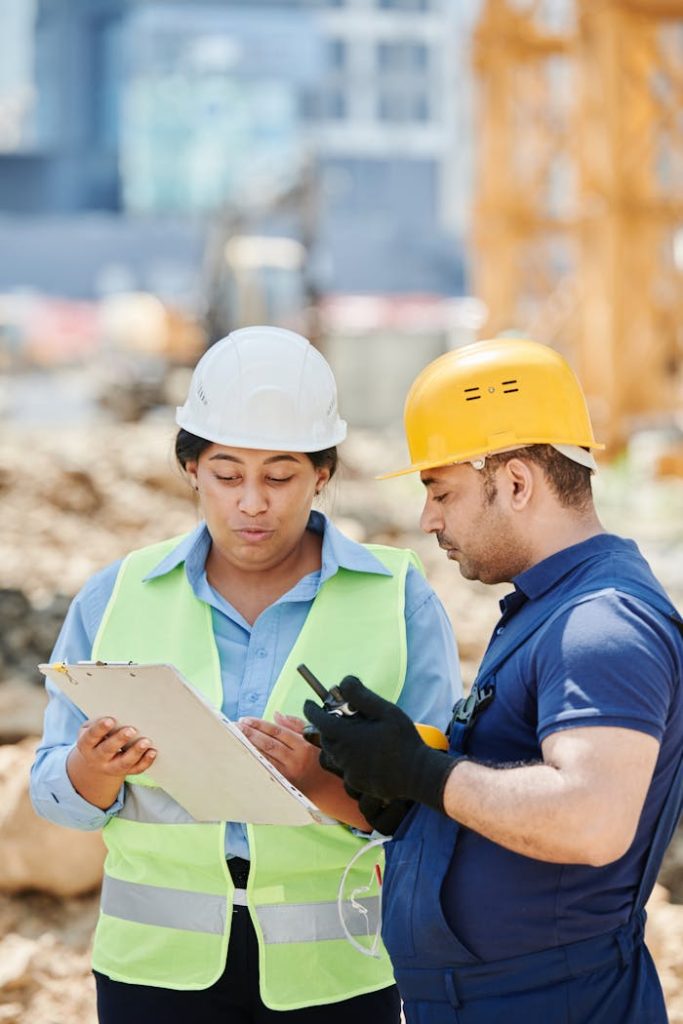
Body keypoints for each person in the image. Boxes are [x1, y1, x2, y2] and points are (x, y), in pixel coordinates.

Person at [30, 326, 461, 1024]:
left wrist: (322, 784)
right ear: (191, 470)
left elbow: (440, 802)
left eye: (280, 476)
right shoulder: (117, 594)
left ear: (322, 474)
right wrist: (94, 770)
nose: (252, 503)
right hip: (152, 976)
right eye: (227, 475)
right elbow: (54, 792)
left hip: (337, 975)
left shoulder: (396, 599)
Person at [305, 337, 683, 1024]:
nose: (429, 519)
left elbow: (591, 819)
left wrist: (422, 772)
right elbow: (517, 800)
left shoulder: (599, 623)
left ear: (514, 482)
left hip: (553, 1003)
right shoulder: (548, 610)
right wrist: (405, 800)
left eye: (439, 490)